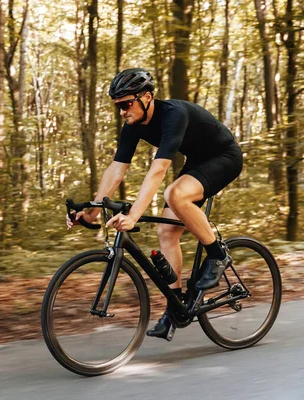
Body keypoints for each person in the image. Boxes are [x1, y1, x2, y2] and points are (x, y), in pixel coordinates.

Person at [66, 68, 243, 341]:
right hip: (197, 161)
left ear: (146, 97)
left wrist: (135, 214)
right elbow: (116, 170)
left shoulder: (174, 114)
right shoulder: (132, 126)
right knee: (166, 233)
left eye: (126, 104)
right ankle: (176, 309)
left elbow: (158, 171)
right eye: (118, 106)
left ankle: (217, 254)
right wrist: (90, 212)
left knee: (175, 194)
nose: (122, 111)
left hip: (225, 157)